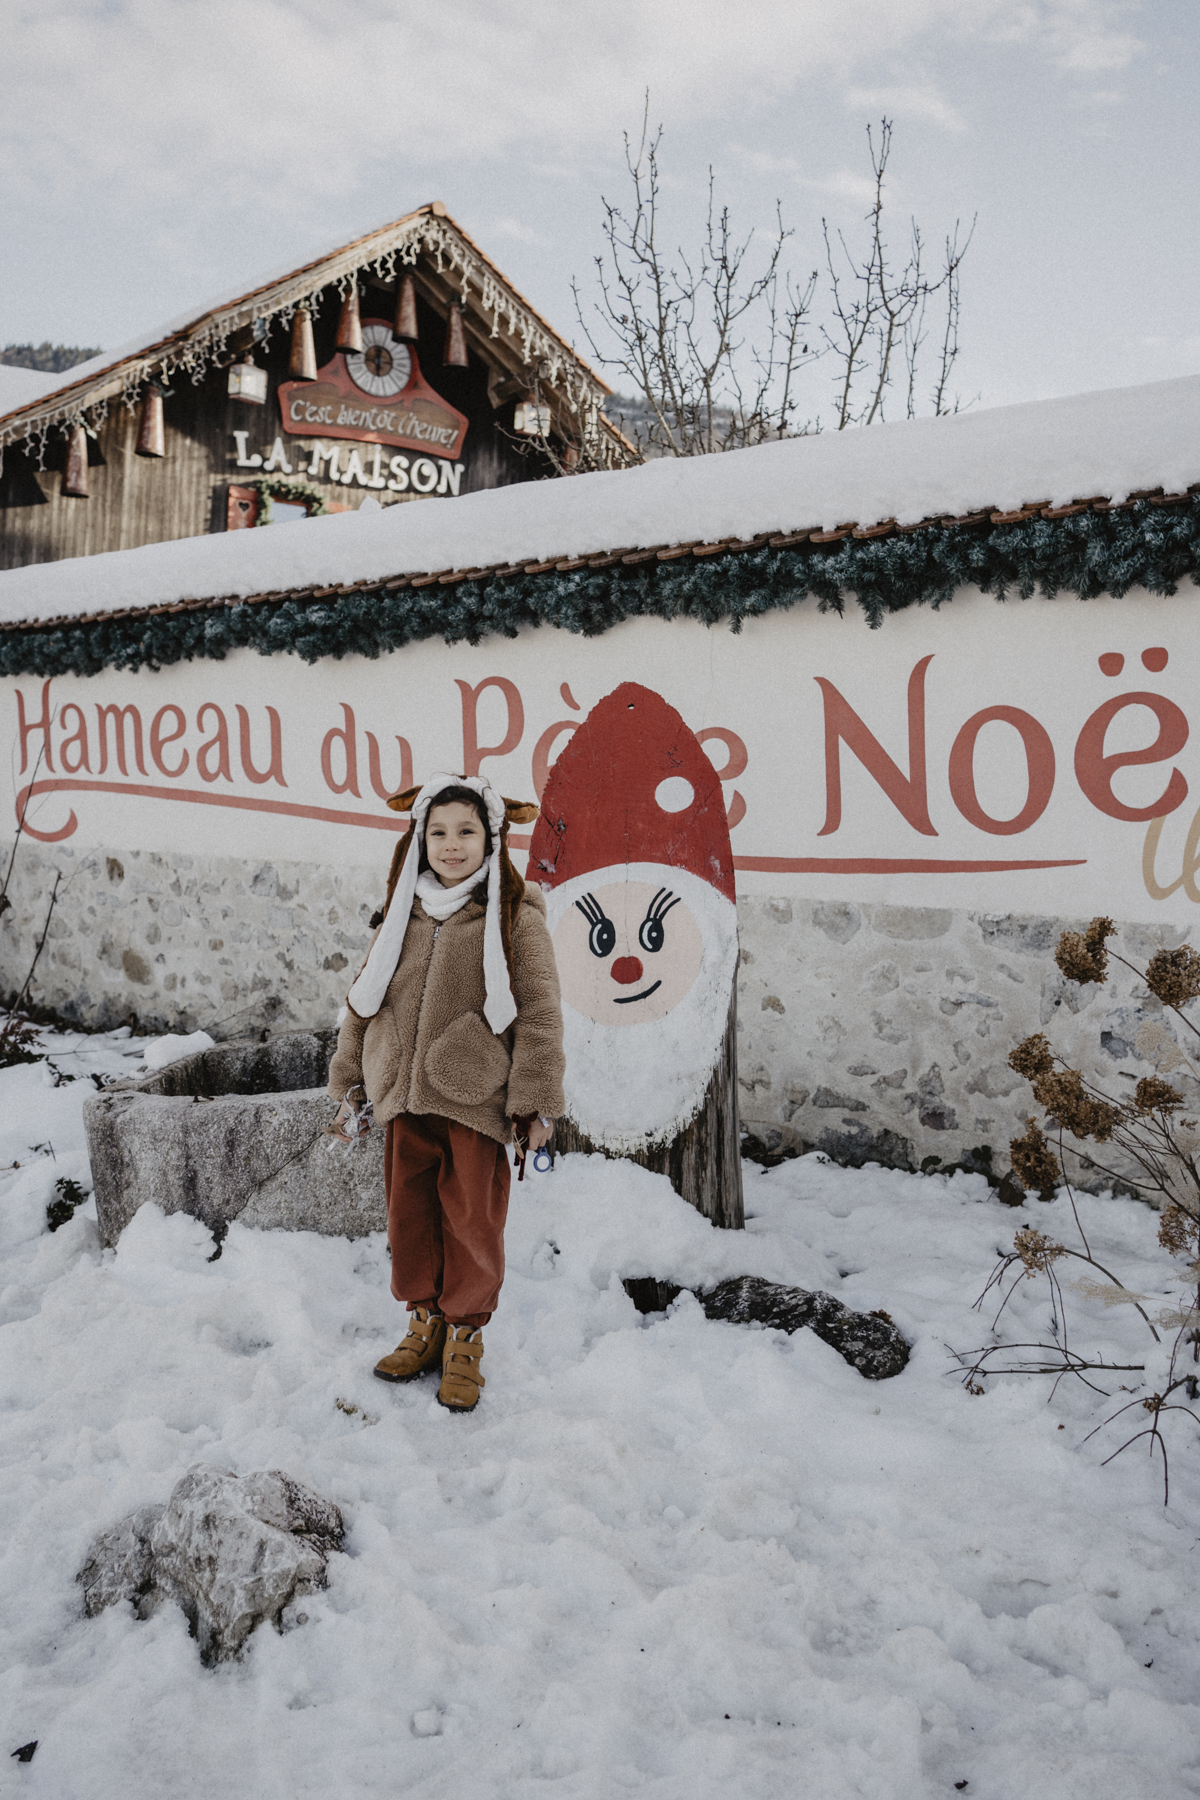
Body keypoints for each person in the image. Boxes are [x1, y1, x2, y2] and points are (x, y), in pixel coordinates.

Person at [327, 773, 565, 1412]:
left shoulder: (512, 915)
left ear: (491, 839)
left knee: (471, 1221)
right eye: (438, 832)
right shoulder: (400, 911)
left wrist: (537, 1100)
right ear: (419, 838)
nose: (452, 845)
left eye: (467, 831)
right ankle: (424, 1321)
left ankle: (465, 1337)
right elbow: (363, 1001)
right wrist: (350, 1077)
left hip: (474, 1098)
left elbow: (539, 1013)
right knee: (411, 1217)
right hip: (402, 1095)